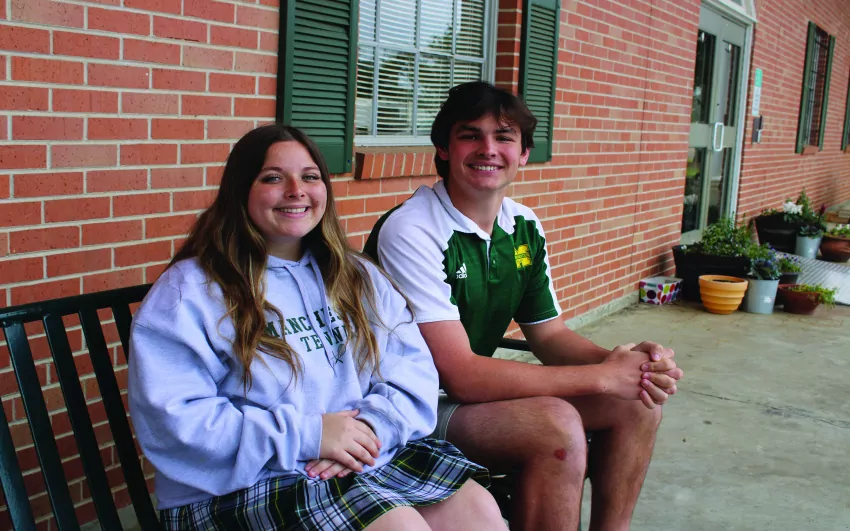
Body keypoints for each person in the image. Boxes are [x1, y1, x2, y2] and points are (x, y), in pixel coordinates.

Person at [128, 124, 507, 531]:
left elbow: (412, 372)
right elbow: (176, 421)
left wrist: (368, 429)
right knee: (400, 527)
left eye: (310, 177)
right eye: (273, 178)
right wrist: (310, 435)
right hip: (237, 485)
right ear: (240, 190)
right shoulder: (192, 291)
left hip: (358, 458)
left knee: (478, 511)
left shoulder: (356, 275)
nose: (296, 191)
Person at [365, 81, 685, 531]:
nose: (488, 149)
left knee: (638, 402)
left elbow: (550, 336)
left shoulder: (523, 225)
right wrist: (602, 377)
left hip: (467, 398)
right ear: (444, 148)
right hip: (408, 410)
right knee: (554, 424)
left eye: (504, 137)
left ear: (524, 153)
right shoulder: (412, 229)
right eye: (470, 135)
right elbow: (461, 376)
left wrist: (630, 366)